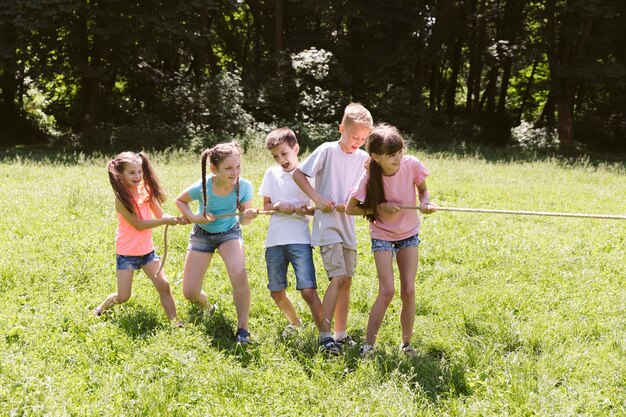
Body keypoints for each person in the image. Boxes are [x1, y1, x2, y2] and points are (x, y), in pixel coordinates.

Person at [346, 124, 436, 357]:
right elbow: (350, 209)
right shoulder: (369, 177)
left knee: (408, 289)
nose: (398, 158)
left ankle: (406, 344)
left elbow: (423, 191)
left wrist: (425, 202)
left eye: (399, 152)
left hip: (408, 234)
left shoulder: (412, 165)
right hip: (383, 234)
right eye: (391, 155)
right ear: (375, 157)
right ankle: (368, 345)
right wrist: (378, 207)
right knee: (387, 291)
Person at [293, 103, 373, 355]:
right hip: (327, 225)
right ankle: (325, 336)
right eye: (354, 137)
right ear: (342, 128)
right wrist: (317, 198)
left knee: (347, 281)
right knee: (337, 278)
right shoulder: (327, 150)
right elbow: (298, 174)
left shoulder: (364, 159)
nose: (357, 142)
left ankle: (341, 334)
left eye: (363, 139)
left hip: (347, 225)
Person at [175, 141, 258, 344]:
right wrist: (195, 218)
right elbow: (180, 201)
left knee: (239, 273)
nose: (234, 172)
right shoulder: (204, 185)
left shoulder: (244, 186)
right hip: (202, 234)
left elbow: (244, 222)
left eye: (238, 167)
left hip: (229, 232)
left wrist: (248, 215)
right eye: (228, 168)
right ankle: (207, 307)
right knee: (190, 293)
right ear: (214, 168)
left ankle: (243, 329)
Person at [93, 151, 183, 325]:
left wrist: (176, 219)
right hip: (126, 253)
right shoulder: (121, 199)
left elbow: (160, 214)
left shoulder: (146, 191)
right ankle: (100, 309)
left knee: (164, 286)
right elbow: (139, 224)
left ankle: (175, 322)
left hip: (147, 251)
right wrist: (164, 221)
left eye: (139, 171)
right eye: (132, 172)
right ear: (121, 174)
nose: (137, 176)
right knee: (123, 296)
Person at [259, 128, 323, 334]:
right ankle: (296, 324)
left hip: (300, 239)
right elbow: (266, 206)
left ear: (296, 149)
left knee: (308, 290)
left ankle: (325, 333)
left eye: (284, 154)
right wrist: (278, 204)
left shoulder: (308, 174)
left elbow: (318, 209)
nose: (280, 159)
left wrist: (307, 209)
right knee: (276, 291)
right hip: (274, 241)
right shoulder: (271, 173)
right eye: (275, 156)